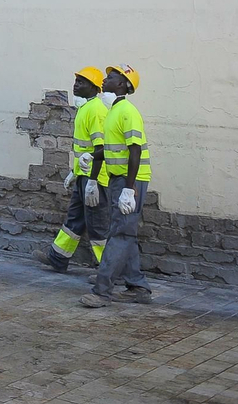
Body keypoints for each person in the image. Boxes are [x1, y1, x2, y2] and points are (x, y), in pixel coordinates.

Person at [81, 65, 152, 307]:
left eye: (110, 77)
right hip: (118, 178)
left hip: (130, 180)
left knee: (120, 233)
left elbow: (135, 151)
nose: (105, 79)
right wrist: (92, 158)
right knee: (126, 233)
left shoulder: (127, 112)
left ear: (122, 84)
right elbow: (113, 150)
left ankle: (102, 290)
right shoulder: (114, 111)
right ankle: (138, 286)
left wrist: (128, 189)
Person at [40, 66, 109, 274]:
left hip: (96, 179)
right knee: (74, 219)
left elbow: (101, 149)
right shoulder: (86, 108)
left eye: (81, 81)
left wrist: (93, 182)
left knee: (97, 227)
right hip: (84, 176)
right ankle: (58, 258)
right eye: (77, 80)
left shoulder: (95, 110)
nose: (76, 84)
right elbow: (84, 150)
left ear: (94, 87)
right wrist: (75, 171)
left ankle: (108, 272)